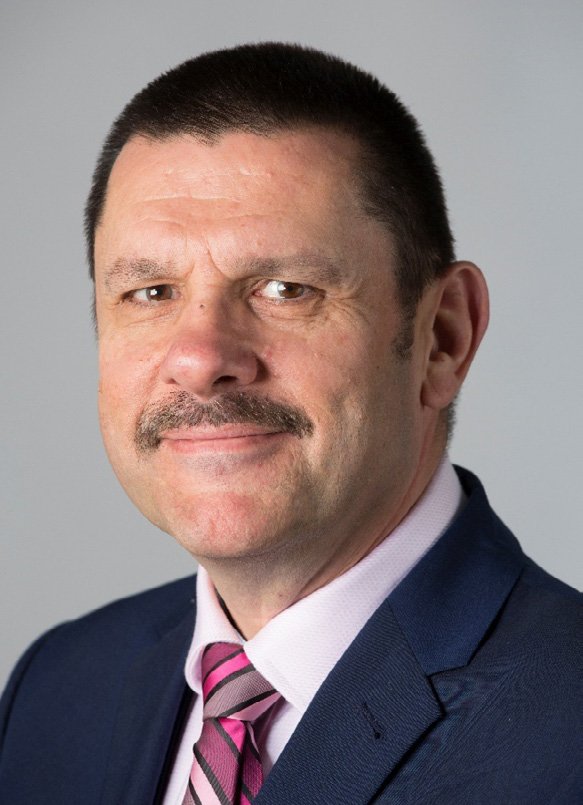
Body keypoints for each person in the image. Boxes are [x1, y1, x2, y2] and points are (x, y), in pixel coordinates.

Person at [0, 42, 581, 805]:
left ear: (442, 337)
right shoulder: (58, 688)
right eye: (150, 292)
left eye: (285, 287)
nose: (202, 357)